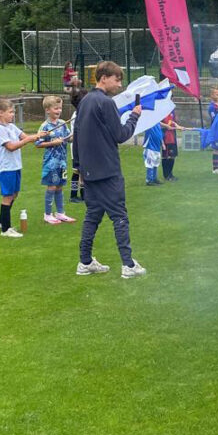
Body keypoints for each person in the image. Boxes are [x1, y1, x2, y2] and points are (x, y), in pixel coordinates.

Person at [74, 61, 145, 278]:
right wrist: (134, 116)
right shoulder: (106, 102)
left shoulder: (85, 101)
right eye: (117, 79)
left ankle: (85, 261)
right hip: (107, 170)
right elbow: (121, 135)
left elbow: (76, 137)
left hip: (89, 170)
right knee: (119, 215)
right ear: (103, 77)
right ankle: (128, 265)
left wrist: (79, 167)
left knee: (92, 216)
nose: (119, 85)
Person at [0, 98, 48, 238]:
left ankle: (0, 220)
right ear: (0, 113)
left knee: (14, 194)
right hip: (6, 168)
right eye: (10, 112)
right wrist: (28, 140)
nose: (13, 114)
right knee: (8, 196)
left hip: (16, 166)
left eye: (13, 112)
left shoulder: (11, 126)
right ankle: (6, 229)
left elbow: (24, 136)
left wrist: (38, 136)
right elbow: (11, 147)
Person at [35, 95, 76, 225]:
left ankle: (60, 213)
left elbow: (68, 139)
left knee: (59, 186)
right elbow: (37, 143)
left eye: (60, 108)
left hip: (62, 161)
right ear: (47, 110)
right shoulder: (45, 127)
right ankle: (47, 214)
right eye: (55, 108)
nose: (58, 111)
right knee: (51, 186)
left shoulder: (62, 123)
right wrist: (53, 143)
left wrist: (75, 135)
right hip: (51, 162)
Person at [68, 78, 87, 204]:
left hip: (83, 147)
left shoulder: (83, 113)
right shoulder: (78, 115)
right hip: (77, 148)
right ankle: (73, 194)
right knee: (77, 172)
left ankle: (84, 194)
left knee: (83, 172)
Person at [158, 109, 190, 182]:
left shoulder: (171, 110)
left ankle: (170, 174)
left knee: (172, 156)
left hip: (172, 136)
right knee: (166, 156)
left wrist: (178, 126)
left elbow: (172, 121)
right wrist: (166, 126)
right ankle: (166, 175)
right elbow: (157, 122)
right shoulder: (161, 110)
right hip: (166, 137)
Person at [142, 120, 165, 186]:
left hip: (157, 147)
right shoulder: (149, 122)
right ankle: (149, 180)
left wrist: (162, 143)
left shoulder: (157, 121)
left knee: (156, 163)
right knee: (150, 163)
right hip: (150, 146)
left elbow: (160, 133)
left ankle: (154, 178)